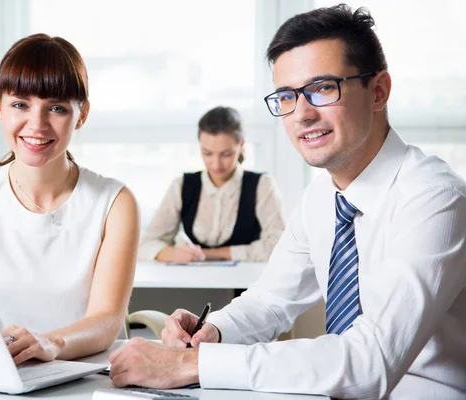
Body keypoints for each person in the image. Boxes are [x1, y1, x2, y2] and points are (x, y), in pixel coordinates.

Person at [107, 4, 466, 399]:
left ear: (378, 91)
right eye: (287, 96)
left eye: (323, 88)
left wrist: (191, 365)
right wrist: (214, 332)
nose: (302, 114)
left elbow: (372, 362)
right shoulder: (321, 198)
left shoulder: (435, 198)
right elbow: (270, 301)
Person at [0, 34, 139, 365]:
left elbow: (107, 320)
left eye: (56, 108)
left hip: (87, 378)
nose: (37, 125)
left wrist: (50, 342)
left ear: (81, 115)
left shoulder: (115, 203)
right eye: (20, 105)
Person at [138, 106, 286, 263]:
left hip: (246, 284)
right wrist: (170, 253)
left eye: (226, 154)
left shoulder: (262, 185)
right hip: (191, 284)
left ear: (241, 145)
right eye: (207, 153)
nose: (216, 164)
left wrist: (209, 255)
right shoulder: (181, 186)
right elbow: (147, 243)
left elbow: (279, 247)